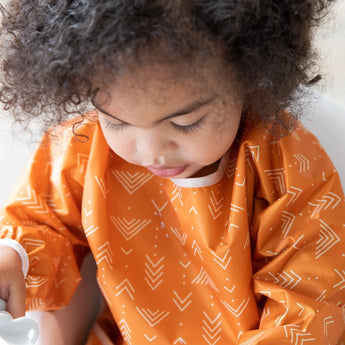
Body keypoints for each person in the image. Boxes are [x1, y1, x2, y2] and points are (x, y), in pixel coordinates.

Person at [0, 0, 345, 344]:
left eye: (186, 123)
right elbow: (41, 221)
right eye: (116, 122)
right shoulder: (82, 147)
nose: (152, 152)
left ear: (247, 76)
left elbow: (309, 303)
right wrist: (13, 257)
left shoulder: (288, 167)